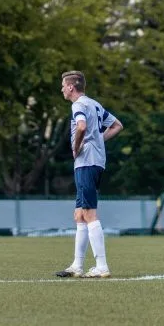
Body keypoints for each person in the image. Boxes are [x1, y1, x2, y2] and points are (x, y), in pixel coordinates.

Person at [55, 71, 123, 278]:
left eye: (63, 85)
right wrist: (99, 140)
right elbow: (117, 125)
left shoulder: (78, 105)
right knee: (79, 215)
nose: (61, 89)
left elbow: (82, 126)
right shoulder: (95, 104)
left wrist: (77, 146)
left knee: (89, 212)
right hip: (94, 161)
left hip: (87, 162)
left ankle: (101, 266)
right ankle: (77, 265)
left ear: (71, 87)